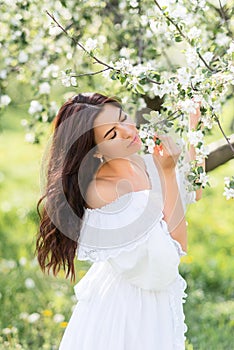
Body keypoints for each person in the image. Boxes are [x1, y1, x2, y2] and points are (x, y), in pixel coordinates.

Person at [36, 92, 202, 350]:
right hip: (128, 311)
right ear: (94, 152)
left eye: (124, 118)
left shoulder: (139, 160)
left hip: (154, 301)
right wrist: (167, 172)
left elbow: (194, 190)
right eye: (112, 134)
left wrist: (195, 125)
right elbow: (175, 249)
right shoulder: (104, 193)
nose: (127, 132)